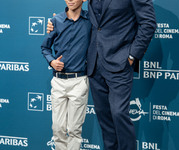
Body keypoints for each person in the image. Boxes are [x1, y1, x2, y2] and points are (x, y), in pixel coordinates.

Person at [47, 0, 156, 149]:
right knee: (104, 119)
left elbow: (148, 23)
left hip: (120, 62)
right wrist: (58, 21)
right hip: (94, 63)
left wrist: (132, 56)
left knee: (119, 114)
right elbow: (85, 13)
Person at [41, 0, 91, 149]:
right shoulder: (56, 21)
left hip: (79, 81)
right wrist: (51, 62)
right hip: (58, 81)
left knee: (75, 130)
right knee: (58, 129)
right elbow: (45, 47)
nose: (70, 0)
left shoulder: (91, 21)